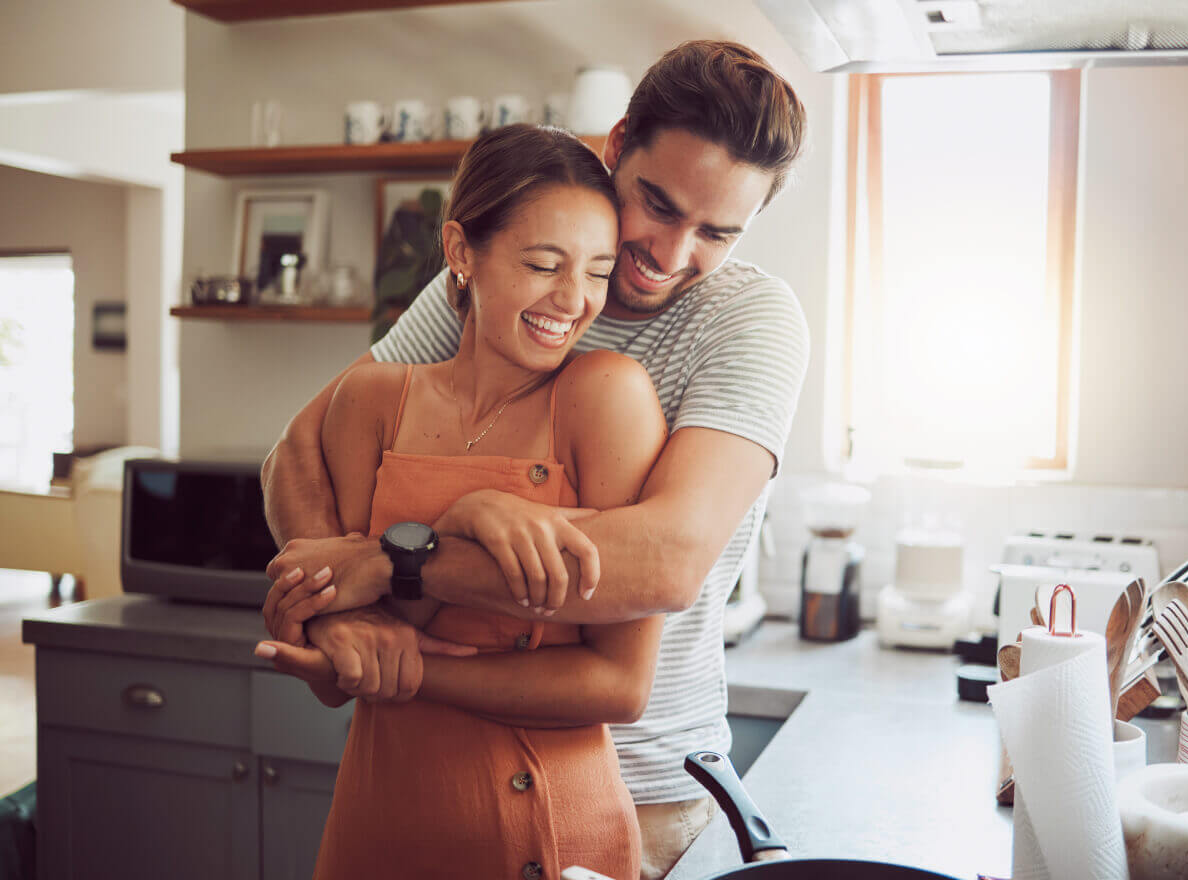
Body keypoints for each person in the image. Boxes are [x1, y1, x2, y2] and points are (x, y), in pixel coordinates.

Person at [256, 40, 809, 880]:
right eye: (657, 205)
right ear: (616, 145)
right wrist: (341, 618)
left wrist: (395, 562)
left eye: (716, 233)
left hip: (643, 791)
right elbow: (299, 452)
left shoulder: (749, 320)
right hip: (434, 773)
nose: (669, 252)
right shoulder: (519, 275)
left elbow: (663, 562)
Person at [284, 123, 668, 879]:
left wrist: (412, 671)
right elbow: (345, 665)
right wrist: (449, 526)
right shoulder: (369, 402)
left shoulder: (605, 398)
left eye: (596, 271)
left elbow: (620, 686)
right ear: (462, 253)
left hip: (556, 834)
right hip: (381, 825)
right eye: (542, 264)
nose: (574, 300)